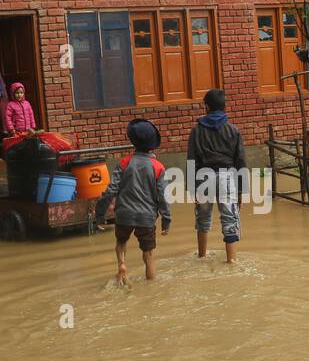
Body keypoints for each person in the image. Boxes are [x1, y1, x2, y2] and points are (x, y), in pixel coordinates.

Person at [95, 119, 171, 285]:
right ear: (153, 145)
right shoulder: (158, 167)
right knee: (148, 254)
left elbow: (111, 191)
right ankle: (151, 286)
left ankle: (122, 264)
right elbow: (162, 197)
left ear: (133, 142)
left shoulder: (124, 163)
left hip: (124, 215)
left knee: (121, 242)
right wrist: (166, 219)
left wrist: (100, 214)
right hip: (146, 218)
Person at [187, 88, 245, 263]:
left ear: (206, 107)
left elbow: (192, 160)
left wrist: (192, 190)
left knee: (203, 218)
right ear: (225, 107)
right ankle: (232, 261)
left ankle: (202, 255)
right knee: (229, 219)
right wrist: (241, 190)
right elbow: (240, 161)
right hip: (227, 177)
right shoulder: (233, 131)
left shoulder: (196, 131)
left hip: (204, 178)